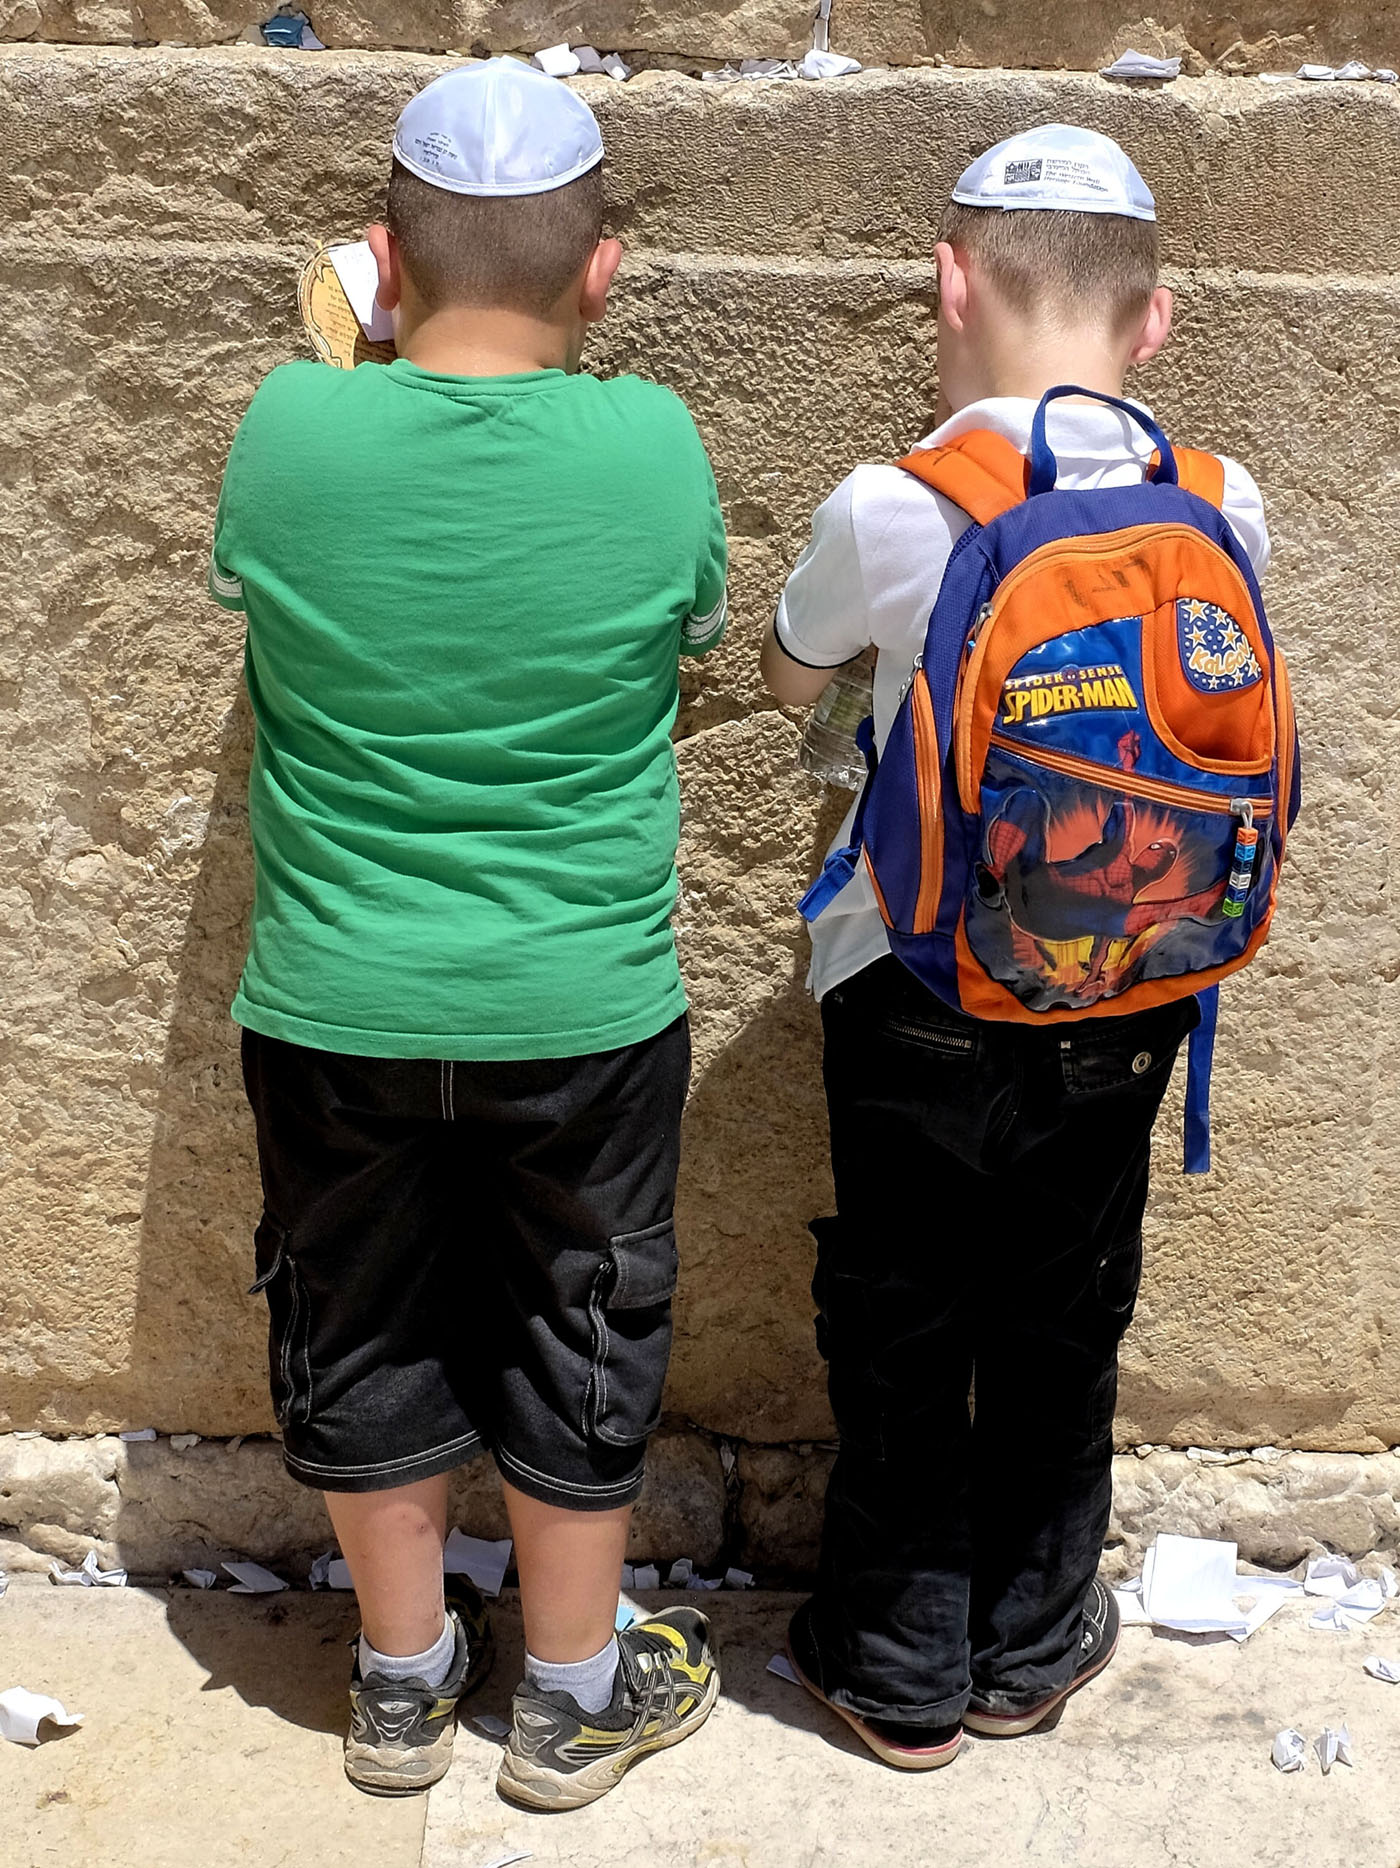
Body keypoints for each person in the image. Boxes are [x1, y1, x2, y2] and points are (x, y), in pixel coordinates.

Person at [208, 58, 725, 1810]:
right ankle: (573, 1690)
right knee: (582, 1321)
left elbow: (272, 570)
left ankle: (404, 1678)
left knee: (359, 1318)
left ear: (382, 253)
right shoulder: (654, 445)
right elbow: (696, 632)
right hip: (581, 1001)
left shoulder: (287, 424)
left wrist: (349, 333)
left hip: (335, 1000)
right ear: (602, 272)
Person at [759, 126, 1271, 1770]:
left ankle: (897, 1672)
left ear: (950, 283)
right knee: (1067, 1306)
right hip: (1133, 985)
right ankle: (1033, 1643)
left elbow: (787, 680)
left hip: (911, 988)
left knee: (905, 1316)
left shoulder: (897, 503)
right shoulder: (1221, 497)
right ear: (1157, 320)